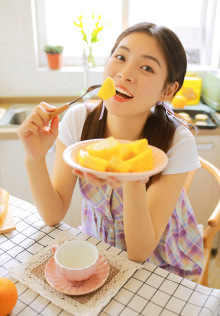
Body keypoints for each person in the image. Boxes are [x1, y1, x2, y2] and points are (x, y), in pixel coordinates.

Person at [17, 22, 203, 280]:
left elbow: (140, 252)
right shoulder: (78, 121)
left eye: (147, 67)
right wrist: (34, 157)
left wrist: (133, 175)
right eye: (120, 57)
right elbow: (53, 214)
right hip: (101, 252)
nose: (125, 73)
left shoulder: (177, 142)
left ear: (168, 90)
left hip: (160, 265)